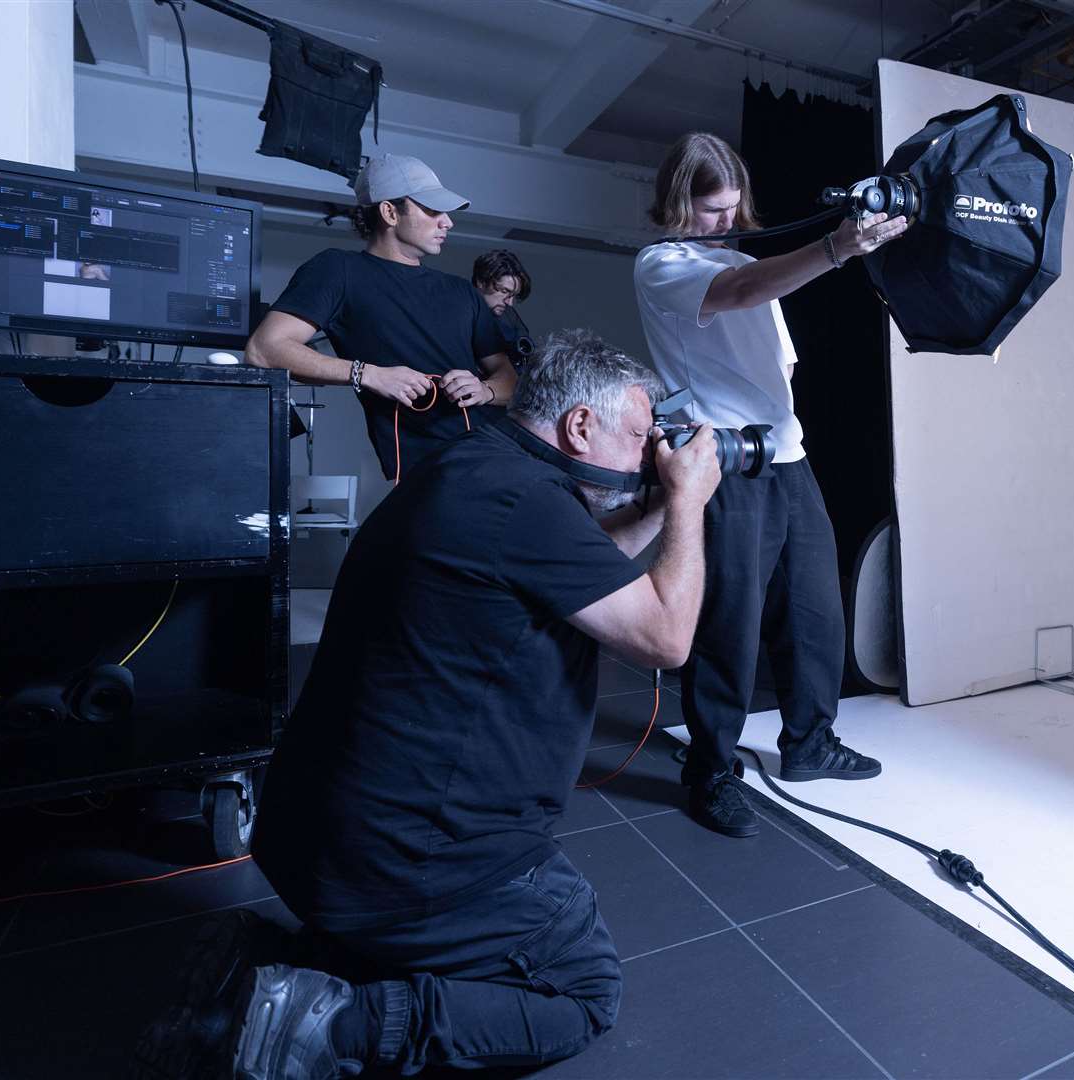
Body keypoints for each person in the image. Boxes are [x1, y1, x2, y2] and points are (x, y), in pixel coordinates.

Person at [133, 330, 722, 1078]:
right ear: (580, 426)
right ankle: (329, 1026)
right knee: (581, 993)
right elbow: (667, 637)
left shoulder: (480, 469)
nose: (651, 455)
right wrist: (690, 504)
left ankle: (277, 966)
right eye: (640, 437)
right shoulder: (527, 505)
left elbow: (577, 561)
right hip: (403, 860)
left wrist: (658, 505)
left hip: (310, 836)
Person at [632, 132, 908, 838]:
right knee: (731, 621)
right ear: (675, 203)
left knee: (816, 611)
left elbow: (780, 362)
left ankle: (809, 743)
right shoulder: (661, 263)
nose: (722, 223)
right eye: (708, 210)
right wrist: (837, 249)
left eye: (730, 209)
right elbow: (739, 290)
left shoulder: (748, 261)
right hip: (723, 464)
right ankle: (712, 768)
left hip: (788, 456)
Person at [246, 154, 514, 484]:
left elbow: (509, 380)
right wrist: (368, 374)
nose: (448, 222)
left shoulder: (461, 292)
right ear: (389, 212)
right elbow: (265, 348)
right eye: (432, 210)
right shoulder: (338, 271)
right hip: (427, 475)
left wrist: (484, 390)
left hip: (496, 458)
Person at [471, 249, 534, 362]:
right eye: (504, 291)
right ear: (481, 282)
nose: (509, 303)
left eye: (513, 296)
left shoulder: (508, 320)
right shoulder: (457, 313)